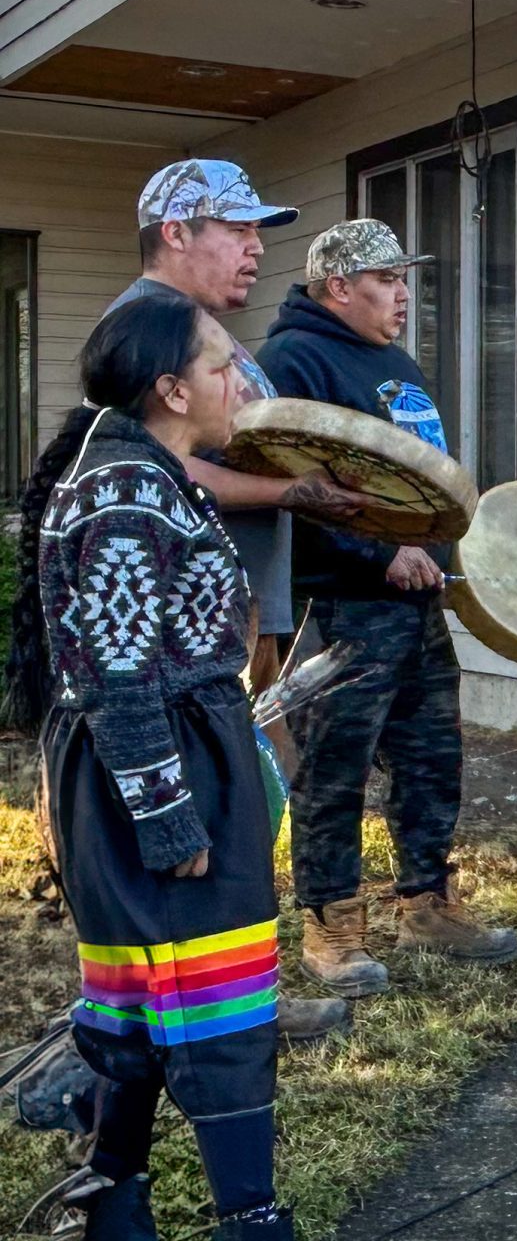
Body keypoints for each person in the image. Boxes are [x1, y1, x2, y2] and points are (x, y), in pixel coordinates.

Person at [78, 163, 373, 1046]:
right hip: (189, 636)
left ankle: (242, 993)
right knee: (210, 810)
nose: (255, 249)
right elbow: (154, 463)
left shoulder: (213, 335)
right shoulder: (145, 329)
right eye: (236, 230)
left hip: (243, 612)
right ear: (175, 232)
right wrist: (292, 495)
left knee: (251, 804)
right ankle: (195, 1009)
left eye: (257, 232)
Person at [28, 294, 296, 1238]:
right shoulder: (125, 491)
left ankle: (113, 1197)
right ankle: (251, 1217)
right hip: (158, 765)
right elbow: (118, 675)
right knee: (209, 995)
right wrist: (169, 816)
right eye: (222, 366)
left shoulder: (140, 474)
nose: (239, 383)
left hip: (172, 754)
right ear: (173, 389)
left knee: (145, 989)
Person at [260, 221, 517, 997]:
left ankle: (427, 905)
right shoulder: (292, 360)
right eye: (387, 280)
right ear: (338, 287)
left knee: (431, 758)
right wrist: (379, 555)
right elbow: (290, 488)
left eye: (405, 279)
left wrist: (440, 547)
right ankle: (332, 927)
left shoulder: (395, 363)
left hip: (414, 600)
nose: (404, 294)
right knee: (334, 772)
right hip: (342, 606)